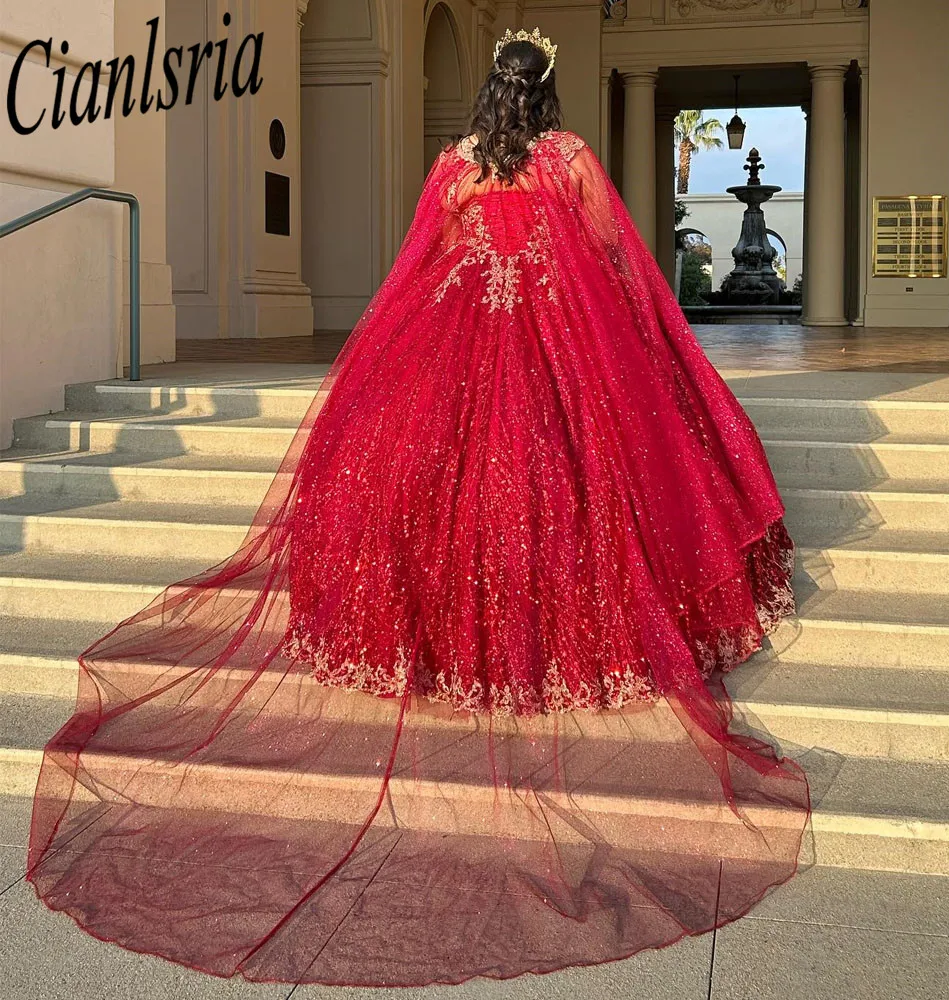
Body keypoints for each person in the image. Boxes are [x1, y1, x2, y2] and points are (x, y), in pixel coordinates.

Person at [27, 29, 810, 988]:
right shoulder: (568, 160)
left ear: (489, 90)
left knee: (436, 479)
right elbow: (613, 254)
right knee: (567, 481)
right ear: (550, 89)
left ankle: (434, 646)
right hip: (556, 327)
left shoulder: (456, 162)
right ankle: (540, 643)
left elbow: (418, 257)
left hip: (455, 319)